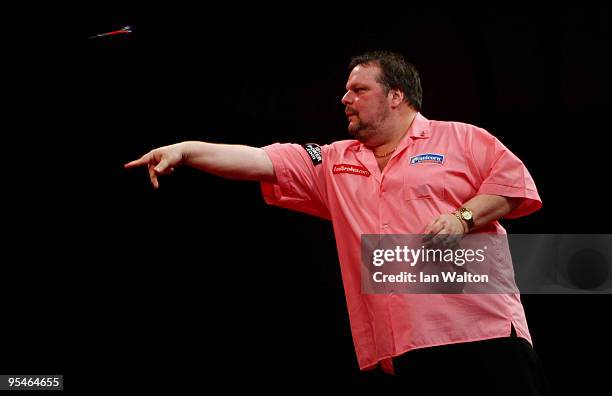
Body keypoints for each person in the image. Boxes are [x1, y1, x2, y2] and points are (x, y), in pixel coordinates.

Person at [125, 51, 549, 395]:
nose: (345, 99)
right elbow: (257, 159)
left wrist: (463, 218)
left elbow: (512, 185)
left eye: (358, 90)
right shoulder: (335, 161)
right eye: (345, 91)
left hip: (483, 333)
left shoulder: (460, 138)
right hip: (403, 347)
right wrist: (185, 149)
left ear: (396, 95)